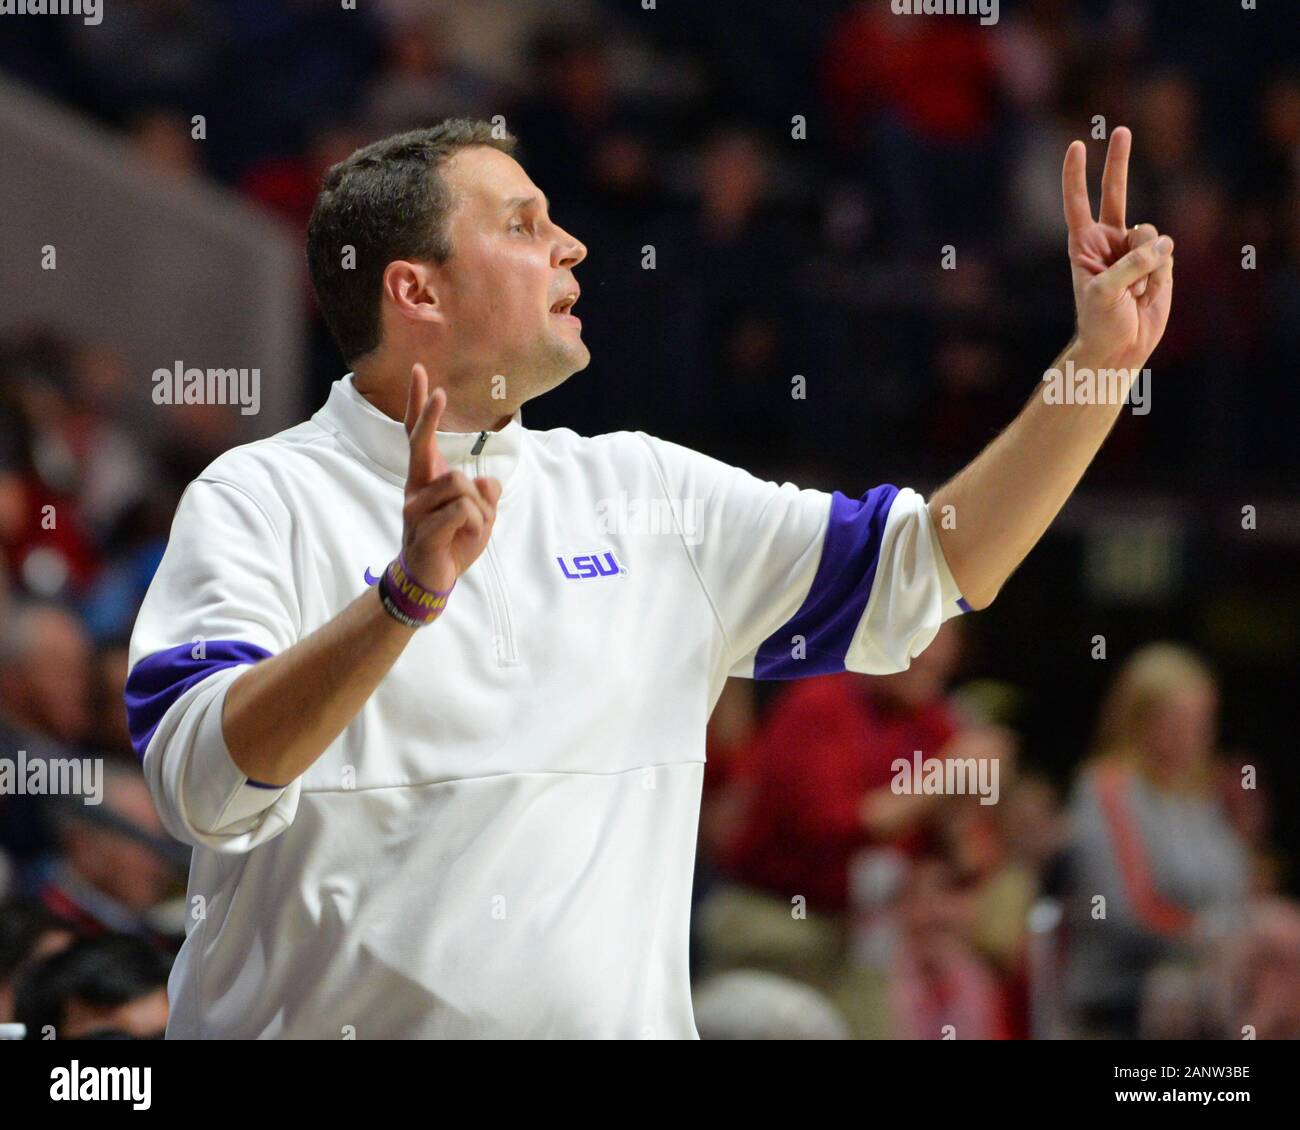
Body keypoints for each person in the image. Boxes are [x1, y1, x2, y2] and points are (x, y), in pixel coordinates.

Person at [125, 118, 1174, 1038]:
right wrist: (402, 599)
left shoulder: (640, 488)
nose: (570, 244)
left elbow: (929, 566)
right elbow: (201, 786)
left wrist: (1100, 366)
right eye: (524, 224)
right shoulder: (259, 495)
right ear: (416, 287)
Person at [1064, 643, 1248, 1038]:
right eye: (1176, 721)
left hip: (1206, 1003)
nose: (1191, 737)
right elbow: (1128, 909)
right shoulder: (1108, 788)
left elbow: (1236, 891)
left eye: (1201, 722)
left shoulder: (1199, 797)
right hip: (1121, 1009)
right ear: (1138, 719)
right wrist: (1221, 935)